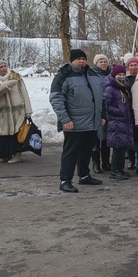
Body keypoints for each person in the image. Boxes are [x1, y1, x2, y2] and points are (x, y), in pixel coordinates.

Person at [50, 49, 104, 192]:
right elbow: (56, 99)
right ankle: (65, 180)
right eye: (79, 58)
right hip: (73, 123)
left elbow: (100, 97)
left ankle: (84, 176)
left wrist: (102, 116)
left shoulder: (92, 74)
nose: (82, 61)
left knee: (86, 151)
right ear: (72, 60)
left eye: (84, 58)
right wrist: (65, 119)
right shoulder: (63, 75)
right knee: (70, 152)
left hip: (91, 122)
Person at [0, 59, 32, 164]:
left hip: (18, 109)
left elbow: (24, 93)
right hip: (4, 111)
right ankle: (5, 154)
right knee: (5, 133)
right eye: (1, 67)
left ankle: (18, 154)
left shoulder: (15, 77)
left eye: (5, 66)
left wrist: (28, 110)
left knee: (17, 132)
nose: (4, 68)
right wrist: (5, 86)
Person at [103, 64, 134, 181]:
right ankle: (115, 170)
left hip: (124, 121)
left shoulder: (123, 87)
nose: (121, 76)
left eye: (123, 74)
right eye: (119, 75)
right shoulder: (110, 88)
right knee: (118, 147)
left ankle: (120, 169)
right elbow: (106, 104)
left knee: (122, 147)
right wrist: (119, 111)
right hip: (116, 121)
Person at [90, 54, 111, 173]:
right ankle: (96, 163)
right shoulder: (92, 75)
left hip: (109, 110)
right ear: (96, 63)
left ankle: (106, 162)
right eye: (100, 61)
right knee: (96, 139)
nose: (103, 63)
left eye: (104, 61)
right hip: (97, 110)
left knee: (107, 139)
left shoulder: (110, 74)